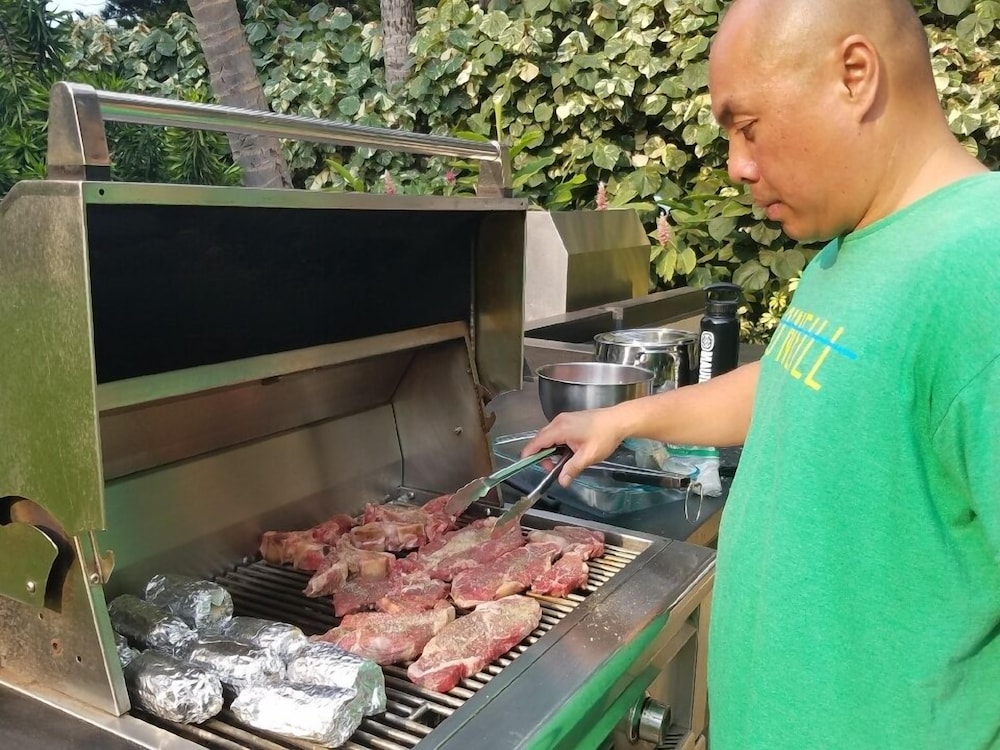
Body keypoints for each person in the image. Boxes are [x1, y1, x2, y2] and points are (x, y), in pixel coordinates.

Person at [521, 0, 1000, 747]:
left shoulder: (981, 264)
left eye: (747, 126)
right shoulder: (854, 248)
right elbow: (795, 383)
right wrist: (624, 417)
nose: (737, 165)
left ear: (855, 75)